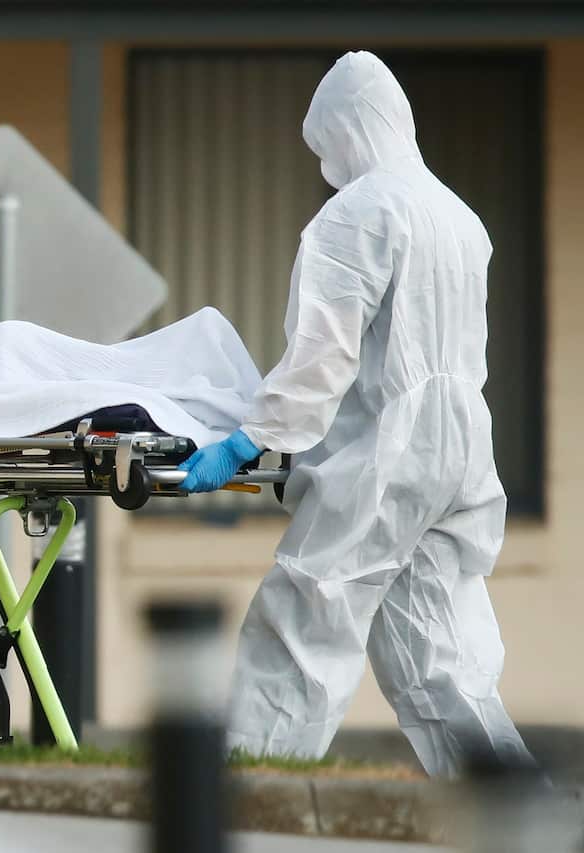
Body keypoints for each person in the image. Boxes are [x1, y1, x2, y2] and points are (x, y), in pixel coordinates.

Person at [177, 51, 534, 777]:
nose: (327, 165)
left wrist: (252, 438)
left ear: (350, 127)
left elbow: (323, 356)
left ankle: (246, 805)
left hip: (387, 451)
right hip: (462, 449)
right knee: (443, 657)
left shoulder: (358, 215)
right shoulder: (460, 218)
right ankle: (527, 818)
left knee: (305, 624)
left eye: (327, 144)